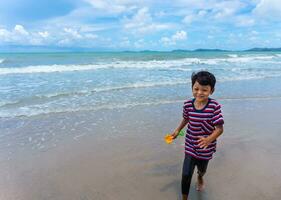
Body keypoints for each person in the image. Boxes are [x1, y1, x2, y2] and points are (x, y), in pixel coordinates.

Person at [171, 71, 224, 200]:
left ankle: (200, 177)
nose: (199, 92)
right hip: (190, 143)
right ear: (192, 88)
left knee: (202, 169)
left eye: (204, 90)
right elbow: (186, 119)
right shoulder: (187, 105)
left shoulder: (214, 107)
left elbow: (220, 129)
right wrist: (178, 130)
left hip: (206, 147)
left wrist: (208, 140)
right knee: (186, 173)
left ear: (212, 90)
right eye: (196, 89)